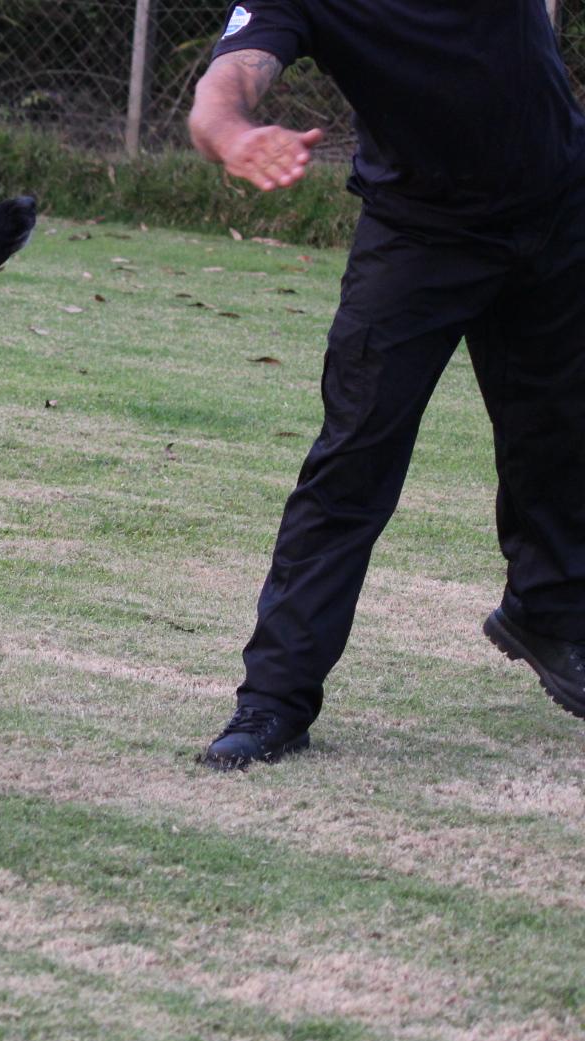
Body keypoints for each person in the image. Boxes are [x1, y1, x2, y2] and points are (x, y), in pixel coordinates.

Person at [188, 1, 585, 769]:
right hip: (421, 238)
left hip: (557, 210)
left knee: (562, 434)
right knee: (354, 463)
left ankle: (550, 618)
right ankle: (273, 700)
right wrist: (236, 136)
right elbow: (225, 84)